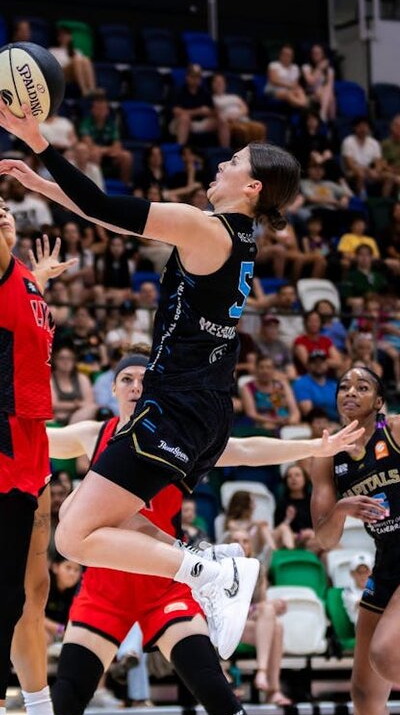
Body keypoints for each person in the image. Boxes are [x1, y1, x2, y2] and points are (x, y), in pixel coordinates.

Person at [0, 103, 349, 664]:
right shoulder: (238, 239)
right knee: (116, 520)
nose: (220, 166)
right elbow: (108, 217)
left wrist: (39, 143)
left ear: (252, 185)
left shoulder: (203, 227)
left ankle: (212, 570)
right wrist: (43, 184)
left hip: (178, 407)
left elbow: (104, 207)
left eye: (232, 161)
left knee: (72, 535)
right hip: (201, 407)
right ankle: (209, 568)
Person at [42, 348, 361, 715]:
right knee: (67, 697)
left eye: (143, 380)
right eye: (127, 380)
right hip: (104, 587)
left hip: (165, 584)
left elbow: (247, 449)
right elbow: (36, 435)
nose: (136, 387)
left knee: (212, 686)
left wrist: (313, 446)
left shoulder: (179, 440)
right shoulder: (95, 434)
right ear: (112, 389)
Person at [0, 212, 96, 715]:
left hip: (33, 444)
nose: (5, 209)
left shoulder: (24, 279)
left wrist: (38, 276)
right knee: (6, 596)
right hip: (4, 438)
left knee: (32, 593)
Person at [311, 366, 400, 715]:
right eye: (344, 386)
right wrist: (343, 509)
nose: (351, 391)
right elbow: (325, 538)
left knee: (385, 655)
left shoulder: (397, 431)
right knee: (365, 697)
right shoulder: (327, 455)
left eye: (362, 386)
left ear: (378, 402)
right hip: (387, 561)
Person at [228, 528, 291, 704]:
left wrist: (270, 606)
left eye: (245, 540)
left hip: (246, 624)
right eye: (236, 540)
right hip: (225, 627)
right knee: (272, 618)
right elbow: (226, 608)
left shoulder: (257, 569)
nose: (241, 544)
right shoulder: (220, 568)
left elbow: (262, 607)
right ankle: (270, 685)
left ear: (251, 546)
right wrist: (266, 606)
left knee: (276, 625)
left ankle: (270, 684)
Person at [79, 93, 133, 185]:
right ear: (92, 110)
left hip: (109, 156)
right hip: (93, 156)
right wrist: (106, 150)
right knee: (95, 154)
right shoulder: (86, 123)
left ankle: (125, 187)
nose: (101, 111)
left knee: (126, 156)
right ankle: (96, 185)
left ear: (107, 110)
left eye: (103, 109)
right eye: (98, 108)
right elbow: (89, 146)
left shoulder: (111, 125)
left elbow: (117, 147)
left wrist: (103, 150)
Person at [169, 63, 226, 147]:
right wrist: (198, 111)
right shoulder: (178, 91)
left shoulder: (205, 93)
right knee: (185, 118)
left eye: (198, 77)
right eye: (193, 76)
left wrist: (210, 112)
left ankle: (225, 152)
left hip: (201, 123)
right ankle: (180, 149)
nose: (196, 79)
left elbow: (212, 111)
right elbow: (176, 112)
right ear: (187, 77)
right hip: (179, 122)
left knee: (222, 120)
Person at [240, 356, 300, 433]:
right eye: (261, 367)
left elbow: (294, 409)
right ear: (256, 369)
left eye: (269, 367)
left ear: (274, 370)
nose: (265, 371)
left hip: (285, 422)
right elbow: (251, 414)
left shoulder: (281, 385)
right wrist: (275, 421)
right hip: (261, 424)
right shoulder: (248, 387)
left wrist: (292, 420)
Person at [211, 73, 266, 147]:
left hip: (243, 120)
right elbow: (217, 113)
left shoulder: (234, 97)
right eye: (217, 82)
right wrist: (231, 117)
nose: (219, 84)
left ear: (225, 84)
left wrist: (238, 115)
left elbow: (245, 109)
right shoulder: (212, 99)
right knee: (242, 130)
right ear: (212, 84)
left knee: (260, 127)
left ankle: (260, 153)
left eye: (221, 82)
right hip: (230, 123)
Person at [341, 117, 384, 197]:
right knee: (360, 174)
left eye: (365, 127)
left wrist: (376, 171)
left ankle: (385, 200)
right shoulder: (348, 141)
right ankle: (362, 198)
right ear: (355, 128)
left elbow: (379, 163)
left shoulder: (374, 143)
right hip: (351, 172)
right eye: (360, 126)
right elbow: (350, 165)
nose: (363, 129)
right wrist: (367, 171)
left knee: (390, 177)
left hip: (369, 171)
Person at [49, 27, 96, 98]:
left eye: (66, 35)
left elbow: (83, 65)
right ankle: (84, 90)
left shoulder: (76, 51)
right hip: (61, 74)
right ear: (58, 38)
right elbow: (53, 67)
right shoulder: (53, 50)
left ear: (70, 37)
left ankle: (92, 88)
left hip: (74, 74)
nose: (64, 38)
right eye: (61, 36)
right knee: (76, 60)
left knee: (86, 59)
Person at [293, 350, 339, 420]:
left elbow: (342, 409)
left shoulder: (333, 385)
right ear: (308, 365)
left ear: (327, 364)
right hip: (313, 423)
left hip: (336, 423)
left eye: (322, 362)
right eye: (314, 362)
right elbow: (308, 412)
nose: (318, 365)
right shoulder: (301, 383)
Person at [265, 45, 308, 111]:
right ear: (280, 55)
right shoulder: (274, 65)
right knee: (288, 94)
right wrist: (289, 86)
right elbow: (274, 81)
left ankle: (303, 104)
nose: (286, 56)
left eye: (289, 55)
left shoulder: (295, 67)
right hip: (274, 90)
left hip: (289, 89)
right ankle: (305, 106)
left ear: (292, 57)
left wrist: (294, 87)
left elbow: (296, 82)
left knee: (300, 90)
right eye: (284, 54)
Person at [301, 44, 335, 122]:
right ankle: (329, 121)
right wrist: (319, 68)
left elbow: (330, 85)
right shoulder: (306, 67)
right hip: (310, 94)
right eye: (314, 53)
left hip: (323, 94)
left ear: (323, 54)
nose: (316, 55)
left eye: (318, 53)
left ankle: (324, 114)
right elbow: (310, 82)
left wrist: (321, 91)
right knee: (331, 97)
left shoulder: (329, 69)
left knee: (330, 95)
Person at [342, 553, 373, 626]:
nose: (363, 575)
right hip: (361, 629)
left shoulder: (376, 588)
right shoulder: (348, 592)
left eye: (366, 572)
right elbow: (363, 604)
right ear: (352, 573)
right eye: (359, 572)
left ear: (371, 573)